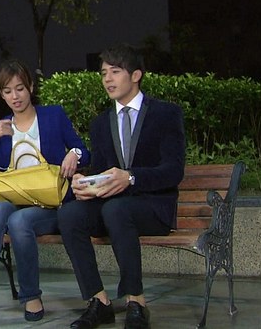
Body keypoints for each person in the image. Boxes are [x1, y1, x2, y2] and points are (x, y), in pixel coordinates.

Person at [58, 43, 186, 329]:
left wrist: (130, 177)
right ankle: (99, 301)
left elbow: (173, 171)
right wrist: (86, 183)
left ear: (136, 75)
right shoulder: (100, 124)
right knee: (69, 214)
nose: (108, 79)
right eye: (104, 73)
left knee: (116, 209)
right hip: (112, 208)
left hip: (153, 207)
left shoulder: (166, 114)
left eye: (115, 72)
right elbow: (102, 172)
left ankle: (136, 302)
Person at [0, 59, 90, 324]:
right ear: (1, 95)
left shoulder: (53, 116)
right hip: (14, 201)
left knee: (19, 220)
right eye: (8, 91)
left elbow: (84, 151)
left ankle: (31, 295)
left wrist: (74, 154)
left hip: (50, 204)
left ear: (30, 87)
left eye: (20, 88)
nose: (15, 96)